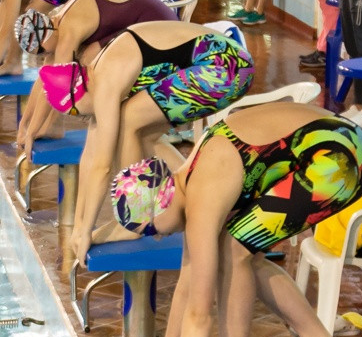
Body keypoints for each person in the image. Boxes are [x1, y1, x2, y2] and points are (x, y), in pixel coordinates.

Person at [114, 94, 362, 337]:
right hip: (334, 145)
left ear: (160, 202)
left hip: (340, 155)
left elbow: (199, 312)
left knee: (235, 249)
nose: (156, 237)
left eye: (149, 228)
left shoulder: (203, 192)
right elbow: (188, 281)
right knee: (238, 250)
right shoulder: (190, 179)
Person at [49, 20, 254, 276]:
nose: (82, 118)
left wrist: (89, 228)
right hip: (223, 63)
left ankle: (136, 219)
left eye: (78, 112)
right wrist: (79, 228)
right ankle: (182, 206)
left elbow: (102, 167)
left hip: (226, 66)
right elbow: (90, 157)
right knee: (140, 133)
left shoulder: (107, 77)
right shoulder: (96, 74)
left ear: (79, 93)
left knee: (128, 122)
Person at [12, 0, 176, 154]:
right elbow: (45, 80)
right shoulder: (56, 26)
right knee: (83, 59)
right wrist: (24, 125)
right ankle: (59, 123)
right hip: (146, 22)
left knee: (83, 65)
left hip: (161, 28)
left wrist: (31, 133)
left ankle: (99, 121)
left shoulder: (69, 30)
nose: (45, 55)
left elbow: (57, 86)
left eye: (43, 51)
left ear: (45, 37)